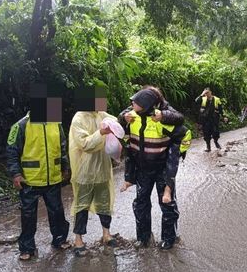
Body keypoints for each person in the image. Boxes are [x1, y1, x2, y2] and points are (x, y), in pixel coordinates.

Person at [119, 88, 188, 250]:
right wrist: (124, 118)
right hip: (143, 168)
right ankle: (143, 238)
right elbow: (119, 120)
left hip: (162, 168)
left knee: (167, 204)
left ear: (147, 105)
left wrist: (163, 117)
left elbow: (180, 120)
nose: (132, 104)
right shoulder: (132, 113)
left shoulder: (163, 113)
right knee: (141, 203)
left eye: (136, 102)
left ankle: (169, 238)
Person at [6, 113, 71, 260]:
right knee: (28, 215)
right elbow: (12, 151)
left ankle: (60, 240)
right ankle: (27, 248)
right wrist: (16, 174)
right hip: (30, 179)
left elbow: (62, 146)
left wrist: (64, 167)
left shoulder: (55, 123)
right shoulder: (21, 125)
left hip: (52, 178)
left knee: (57, 211)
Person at [68, 109, 121, 257]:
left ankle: (106, 234)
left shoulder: (101, 115)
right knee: (82, 205)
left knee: (104, 203)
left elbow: (116, 119)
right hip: (85, 171)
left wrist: (122, 119)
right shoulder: (78, 118)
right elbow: (84, 144)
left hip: (102, 168)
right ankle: (78, 240)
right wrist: (101, 133)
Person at [195, 87, 227, 152]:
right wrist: (202, 94)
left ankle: (216, 142)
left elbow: (221, 109)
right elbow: (196, 101)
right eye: (205, 93)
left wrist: (224, 116)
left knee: (215, 132)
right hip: (205, 120)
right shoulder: (203, 99)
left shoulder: (216, 99)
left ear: (211, 92)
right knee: (206, 133)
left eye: (208, 92)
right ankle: (208, 147)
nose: (207, 94)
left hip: (214, 119)